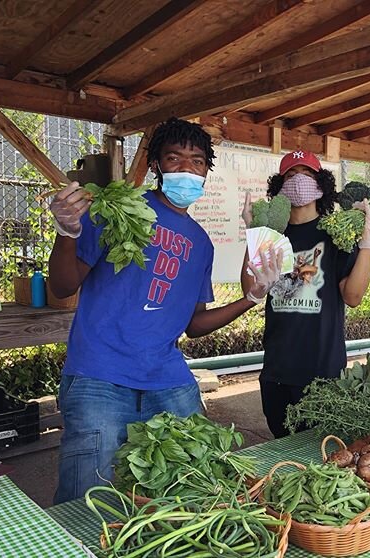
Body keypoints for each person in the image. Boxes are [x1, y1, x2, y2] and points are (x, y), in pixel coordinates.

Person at [49, 117, 281, 504]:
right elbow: (62, 286)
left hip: (167, 378)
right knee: (85, 498)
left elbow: (194, 325)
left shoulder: (201, 244)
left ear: (207, 170)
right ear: (156, 165)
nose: (186, 170)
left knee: (197, 482)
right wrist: (67, 233)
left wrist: (251, 298)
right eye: (174, 159)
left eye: (196, 162)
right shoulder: (120, 210)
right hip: (99, 375)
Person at [240, 149, 370, 438]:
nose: (298, 180)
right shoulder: (274, 234)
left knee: (321, 451)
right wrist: (254, 233)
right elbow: (249, 289)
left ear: (321, 184)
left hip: (322, 372)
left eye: (307, 175)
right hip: (277, 370)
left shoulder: (334, 233)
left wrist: (366, 243)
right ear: (279, 186)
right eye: (291, 175)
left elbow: (353, 297)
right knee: (282, 444)